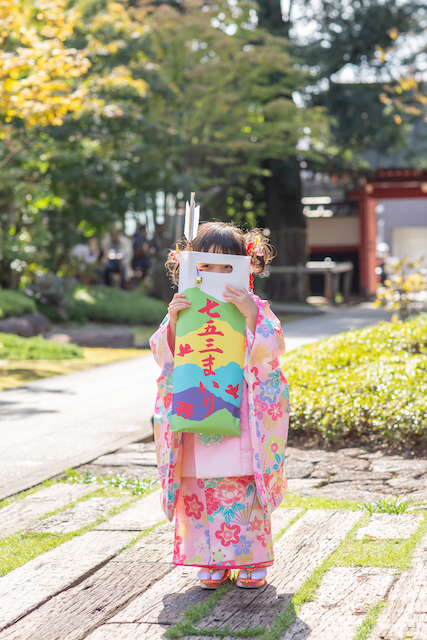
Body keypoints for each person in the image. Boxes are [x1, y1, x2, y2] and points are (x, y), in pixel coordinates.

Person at [149, 221, 289, 590]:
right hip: (199, 409)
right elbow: (165, 355)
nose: (214, 273)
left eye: (225, 265)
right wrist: (176, 319)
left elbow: (272, 349)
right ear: (190, 266)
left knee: (240, 481)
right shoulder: (185, 304)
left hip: (239, 410)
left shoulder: (254, 306)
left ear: (246, 266)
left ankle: (250, 559)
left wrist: (250, 316)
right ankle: (210, 558)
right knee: (200, 484)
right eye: (205, 265)